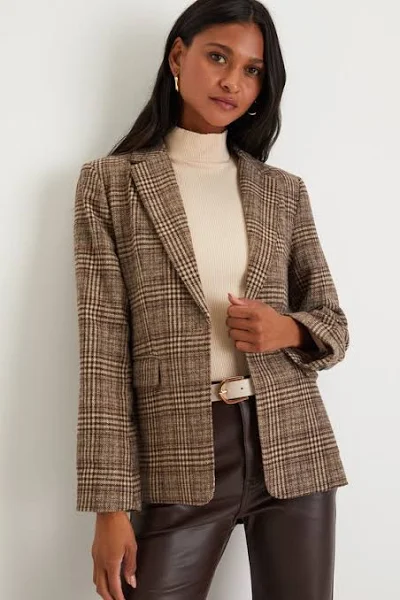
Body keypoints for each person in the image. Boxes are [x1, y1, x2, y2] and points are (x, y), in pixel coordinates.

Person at [73, 1, 350, 598]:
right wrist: (110, 507)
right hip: (178, 453)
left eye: (252, 70)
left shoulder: (282, 192)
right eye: (218, 57)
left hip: (293, 444)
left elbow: (333, 321)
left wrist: (287, 330)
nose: (232, 81)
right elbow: (102, 356)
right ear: (178, 56)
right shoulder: (111, 184)